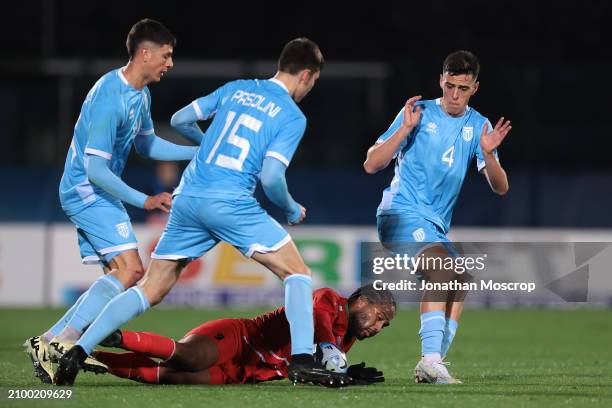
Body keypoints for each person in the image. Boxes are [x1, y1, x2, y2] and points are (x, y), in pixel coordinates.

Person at [54, 38, 350, 387]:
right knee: (297, 274)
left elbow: (180, 119)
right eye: (313, 82)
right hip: (231, 202)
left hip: (188, 198)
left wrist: (208, 145)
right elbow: (271, 178)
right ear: (306, 74)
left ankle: (75, 350)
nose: (310, 88)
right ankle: (302, 359)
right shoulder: (291, 115)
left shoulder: (237, 89)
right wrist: (290, 207)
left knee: (151, 287)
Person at [24, 18, 199, 384]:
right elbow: (96, 170)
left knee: (118, 275)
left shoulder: (140, 94)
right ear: (145, 54)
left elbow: (148, 144)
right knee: (132, 270)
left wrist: (199, 150)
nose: (170, 64)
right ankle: (64, 341)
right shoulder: (109, 97)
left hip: (96, 190)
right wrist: (144, 199)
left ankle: (48, 341)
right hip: (87, 189)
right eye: (166, 56)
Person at [363, 50, 511, 384]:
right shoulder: (418, 112)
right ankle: (430, 360)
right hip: (399, 213)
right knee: (444, 270)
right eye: (449, 86)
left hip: (433, 225)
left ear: (475, 87)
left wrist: (489, 153)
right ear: (440, 81)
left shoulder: (479, 126)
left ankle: (432, 364)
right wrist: (403, 130)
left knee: (460, 281)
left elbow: (500, 187)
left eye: (463, 87)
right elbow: (371, 164)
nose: (455, 95)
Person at [92, 286, 394, 385]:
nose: (377, 328)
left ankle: (90, 357)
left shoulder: (347, 340)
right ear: (362, 302)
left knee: (169, 376)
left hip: (243, 372)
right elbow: (317, 319)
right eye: (378, 318)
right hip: (240, 338)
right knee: (190, 356)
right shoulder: (329, 300)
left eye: (383, 326)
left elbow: (307, 372)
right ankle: (116, 337)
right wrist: (329, 349)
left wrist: (345, 374)